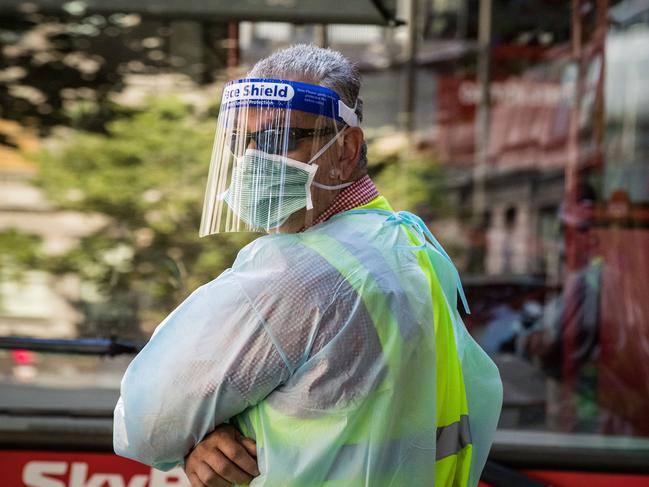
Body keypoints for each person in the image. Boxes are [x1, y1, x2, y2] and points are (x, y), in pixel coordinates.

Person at [114, 44, 503, 487]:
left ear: (346, 148)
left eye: (284, 139)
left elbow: (147, 422)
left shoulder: (300, 274)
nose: (256, 159)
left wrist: (208, 437)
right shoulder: (407, 244)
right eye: (249, 141)